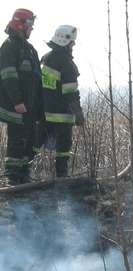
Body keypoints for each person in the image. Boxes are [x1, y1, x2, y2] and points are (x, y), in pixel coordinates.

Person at [0, 9, 42, 185]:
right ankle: (12, 179)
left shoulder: (30, 50)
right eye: (30, 25)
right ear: (20, 24)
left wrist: (40, 107)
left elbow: (37, 80)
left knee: (30, 140)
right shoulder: (9, 46)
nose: (32, 29)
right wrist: (17, 101)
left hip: (30, 106)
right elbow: (8, 76)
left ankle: (24, 177)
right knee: (17, 141)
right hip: (15, 106)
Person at [40, 25, 84, 178]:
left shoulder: (45, 58)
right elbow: (70, 92)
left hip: (43, 112)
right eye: (72, 42)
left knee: (35, 144)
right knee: (63, 147)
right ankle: (61, 177)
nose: (73, 45)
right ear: (66, 42)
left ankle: (21, 176)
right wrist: (78, 113)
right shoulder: (67, 64)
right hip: (62, 115)